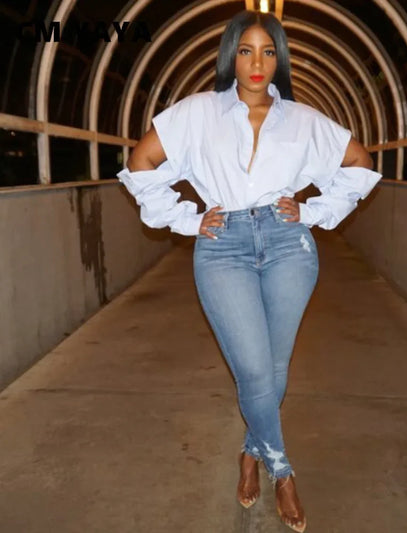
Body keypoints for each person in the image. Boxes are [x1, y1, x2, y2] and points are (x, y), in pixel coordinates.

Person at [117, 10, 381, 533]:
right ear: (230, 56)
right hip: (223, 247)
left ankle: (249, 451)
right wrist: (187, 220)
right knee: (255, 370)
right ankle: (282, 470)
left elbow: (360, 162)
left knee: (274, 369)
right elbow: (140, 161)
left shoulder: (303, 119)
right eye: (245, 50)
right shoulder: (197, 113)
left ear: (279, 59)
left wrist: (310, 211)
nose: (257, 62)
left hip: (288, 245)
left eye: (267, 51)